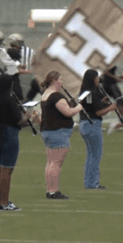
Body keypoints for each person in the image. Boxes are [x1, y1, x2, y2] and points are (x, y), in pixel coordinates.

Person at [0, 74, 35, 211]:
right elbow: (18, 120)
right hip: (8, 134)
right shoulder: (9, 99)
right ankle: (5, 202)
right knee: (7, 169)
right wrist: (28, 116)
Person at [40, 71, 83, 199]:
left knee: (51, 162)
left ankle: (50, 190)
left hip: (48, 131)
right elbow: (68, 112)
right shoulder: (56, 96)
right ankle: (54, 191)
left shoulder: (45, 94)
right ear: (54, 81)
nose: (61, 82)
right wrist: (80, 107)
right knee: (56, 163)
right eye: (60, 80)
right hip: (57, 131)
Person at [78, 69, 116, 189]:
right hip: (92, 124)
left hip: (84, 123)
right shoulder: (93, 92)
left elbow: (90, 106)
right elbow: (98, 112)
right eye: (96, 78)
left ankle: (89, 182)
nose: (98, 80)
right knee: (95, 156)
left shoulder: (85, 92)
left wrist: (101, 102)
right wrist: (110, 108)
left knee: (91, 155)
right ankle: (93, 183)